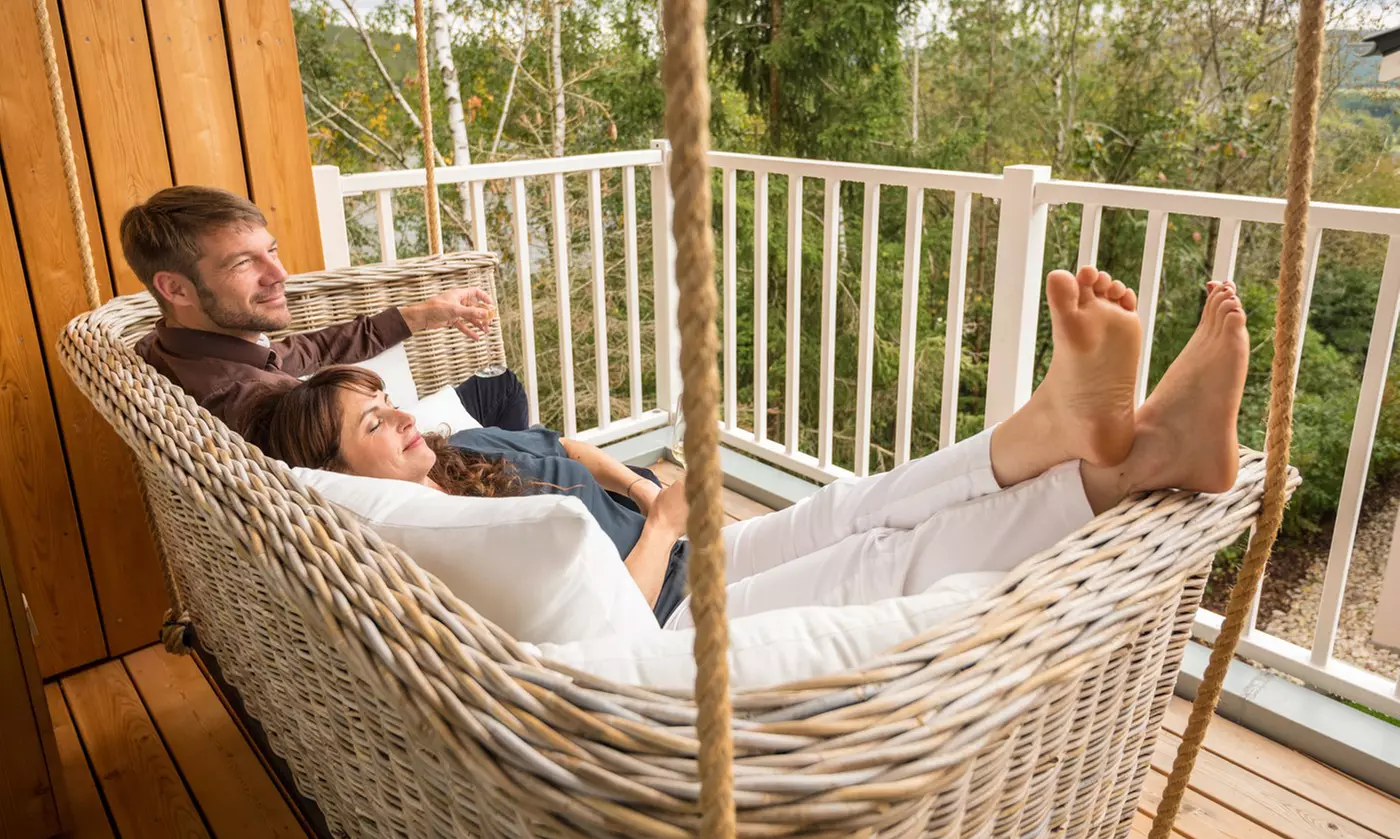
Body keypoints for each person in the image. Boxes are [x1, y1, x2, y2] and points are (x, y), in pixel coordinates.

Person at [253, 266, 1250, 630]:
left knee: (842, 507)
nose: (401, 419)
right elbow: (589, 626)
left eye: (387, 404)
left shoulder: (451, 447)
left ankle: (1052, 433)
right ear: (336, 475)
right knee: (874, 559)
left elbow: (555, 441)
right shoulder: (432, 533)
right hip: (668, 615)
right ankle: (1128, 463)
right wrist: (661, 527)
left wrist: (640, 485)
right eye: (371, 426)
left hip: (677, 549)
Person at [120, 185, 531, 439]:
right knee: (513, 406)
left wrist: (421, 314)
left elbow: (304, 350)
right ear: (174, 288)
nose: (279, 274)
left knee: (497, 387)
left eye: (272, 251)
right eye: (243, 263)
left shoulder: (177, 348)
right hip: (404, 462)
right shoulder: (252, 398)